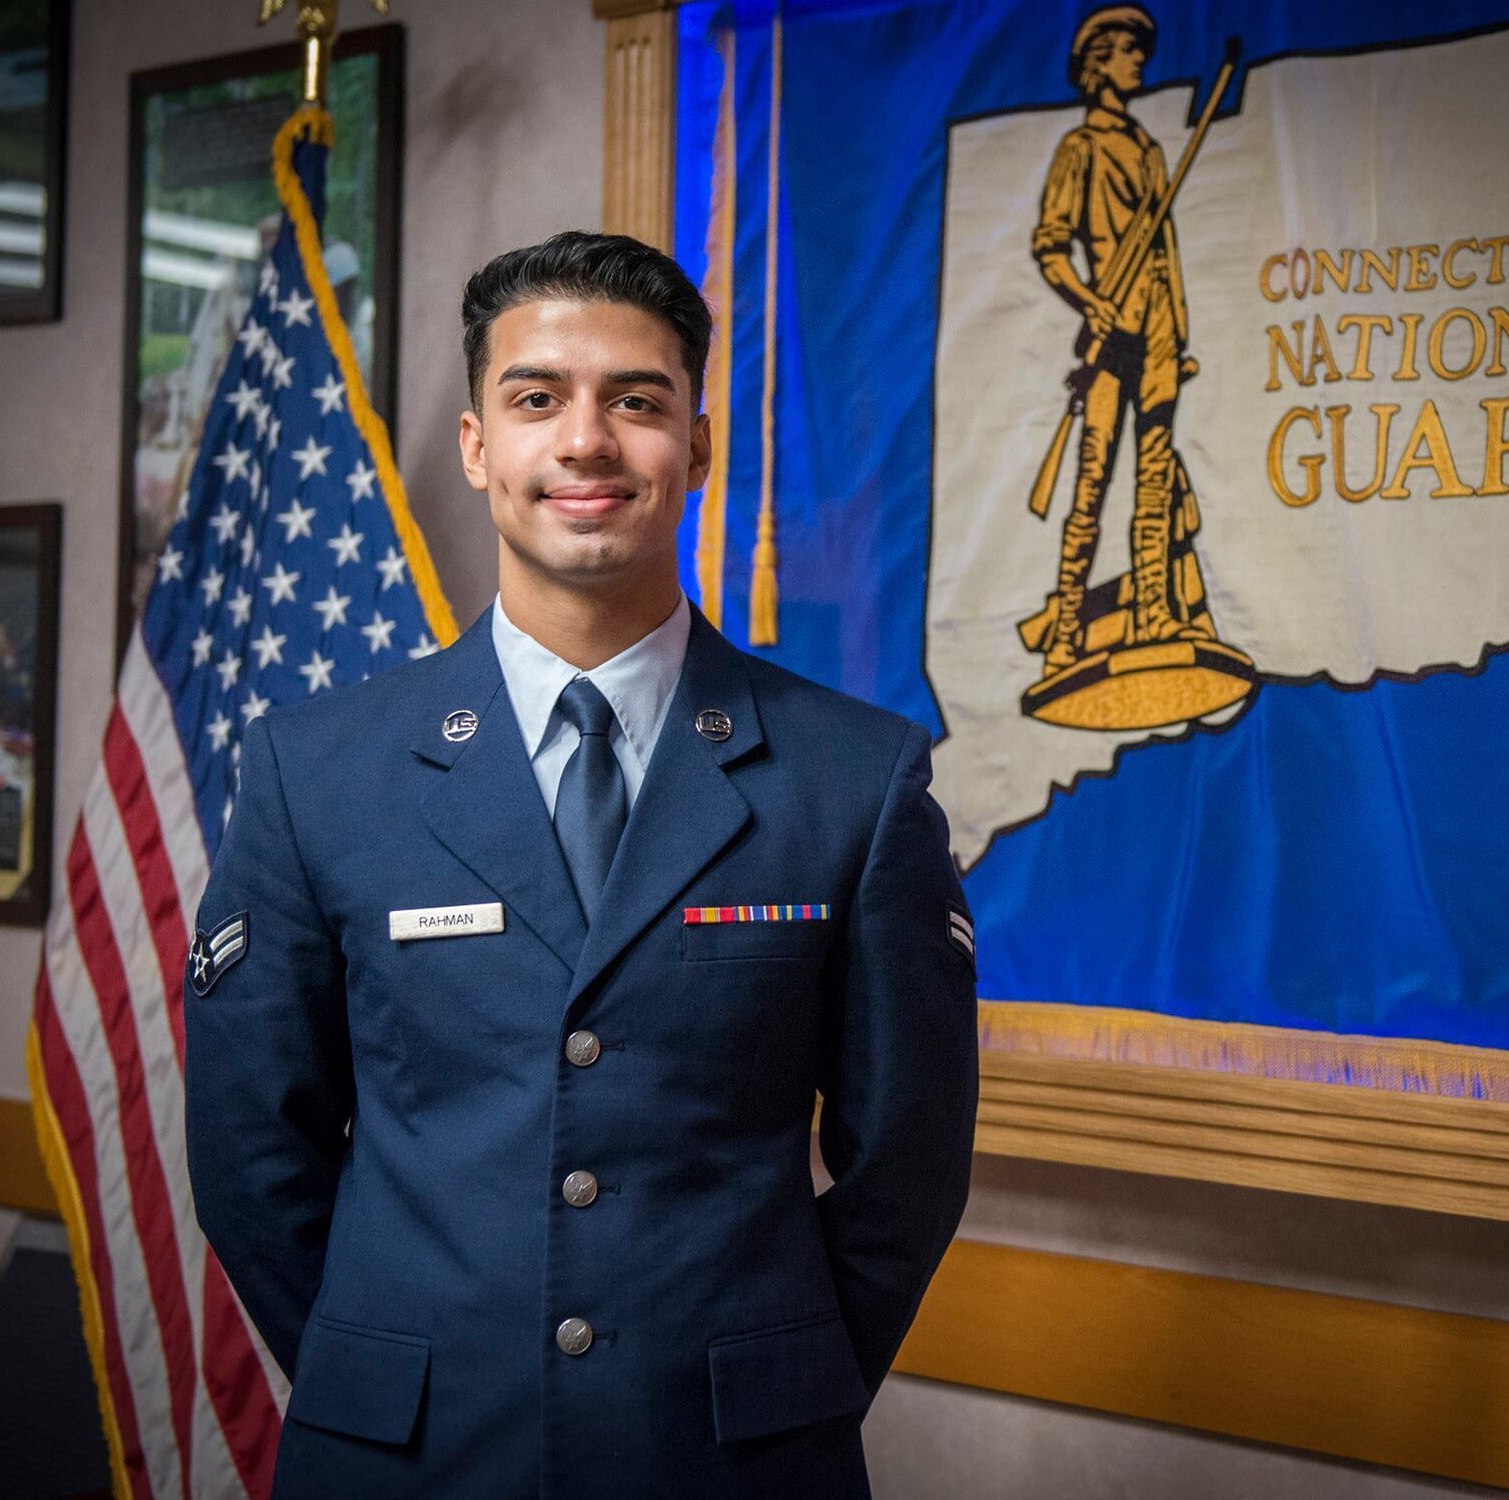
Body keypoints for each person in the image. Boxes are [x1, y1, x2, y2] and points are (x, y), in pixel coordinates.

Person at [184, 231, 979, 1499]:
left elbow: (911, 1156)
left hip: (730, 1460)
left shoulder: (855, 778)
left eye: (638, 402)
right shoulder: (312, 770)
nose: (587, 442)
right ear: (476, 447)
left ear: (699, 448)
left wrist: (781, 1376)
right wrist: (384, 1365)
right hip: (404, 1456)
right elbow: (248, 1146)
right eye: (538, 398)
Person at [1031, 4, 1223, 673]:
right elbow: (1051, 247)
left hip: (1162, 335)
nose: (1138, 60)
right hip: (1113, 341)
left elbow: (1164, 252)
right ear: (1097, 63)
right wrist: (1091, 304)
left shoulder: (1148, 148)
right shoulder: (1080, 149)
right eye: (1125, 51)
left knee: (1155, 480)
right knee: (1091, 484)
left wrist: (1178, 331)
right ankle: (1064, 637)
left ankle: (1155, 613)